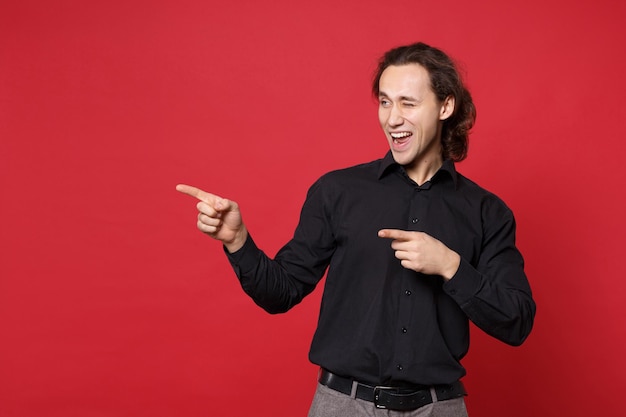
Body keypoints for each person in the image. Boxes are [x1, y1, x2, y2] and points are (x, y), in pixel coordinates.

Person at [177, 42, 536, 416]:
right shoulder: (337, 192)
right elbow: (279, 293)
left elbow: (517, 322)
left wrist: (451, 266)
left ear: (446, 106)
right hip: (343, 406)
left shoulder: (487, 212)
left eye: (407, 103)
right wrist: (237, 241)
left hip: (439, 408)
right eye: (384, 102)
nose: (392, 118)